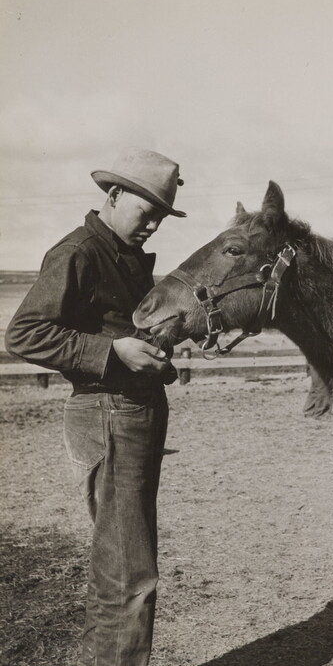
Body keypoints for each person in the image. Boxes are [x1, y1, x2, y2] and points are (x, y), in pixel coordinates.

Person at [6, 147, 186, 666]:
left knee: (125, 563)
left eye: (160, 218)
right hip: (109, 415)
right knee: (129, 571)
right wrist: (113, 352)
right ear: (112, 195)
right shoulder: (80, 251)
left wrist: (150, 348)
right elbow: (24, 333)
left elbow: (113, 326)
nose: (152, 225)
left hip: (130, 413)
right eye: (145, 212)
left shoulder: (122, 253)